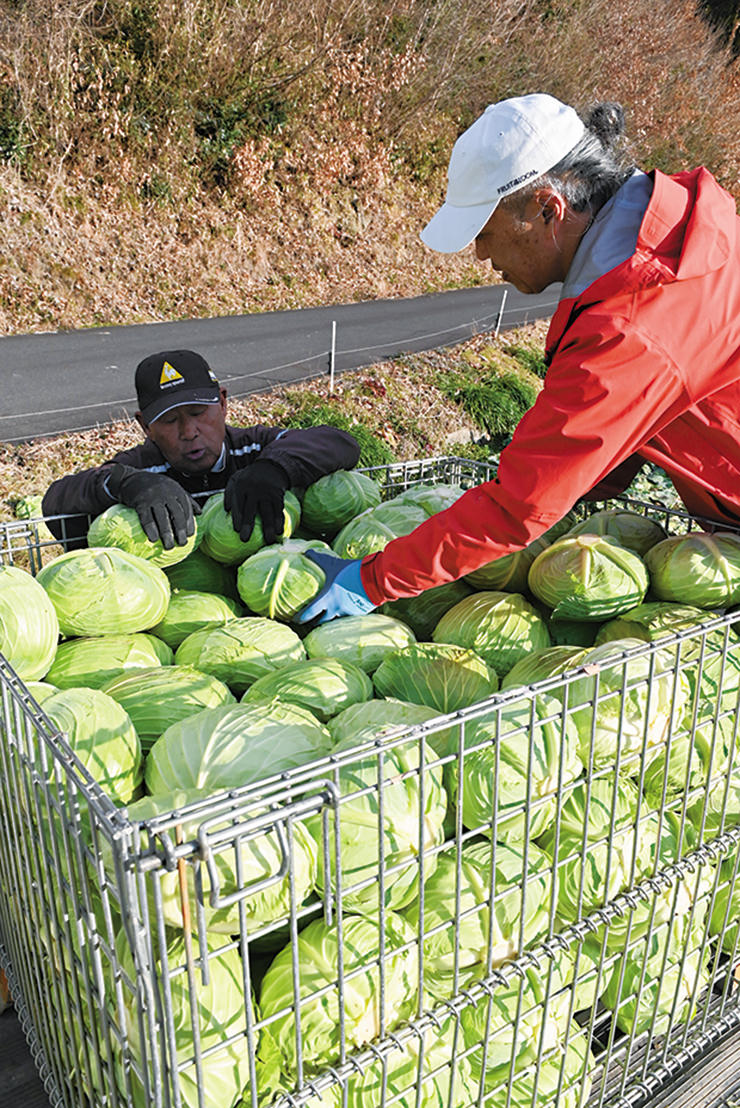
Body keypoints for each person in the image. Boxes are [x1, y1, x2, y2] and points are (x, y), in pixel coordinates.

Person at [297, 91, 740, 625]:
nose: (482, 257)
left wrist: (370, 580)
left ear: (548, 209)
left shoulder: (632, 319)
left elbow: (522, 507)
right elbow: (640, 418)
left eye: (485, 234)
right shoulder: (677, 238)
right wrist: (565, 479)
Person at [42, 348, 360, 549]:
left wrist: (273, 469)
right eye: (169, 421)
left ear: (222, 403)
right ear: (145, 427)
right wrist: (125, 483)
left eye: (198, 413)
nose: (189, 432)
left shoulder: (252, 447)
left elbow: (338, 442)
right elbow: (57, 500)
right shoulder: (142, 468)